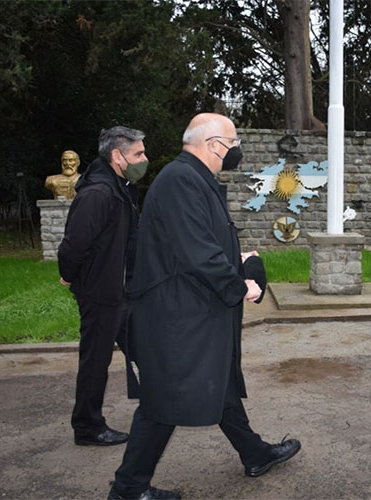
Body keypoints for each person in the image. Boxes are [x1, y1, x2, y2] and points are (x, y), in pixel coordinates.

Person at [108, 113, 300, 500]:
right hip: (177, 316)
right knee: (162, 402)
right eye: (233, 143)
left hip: (190, 309)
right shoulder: (182, 180)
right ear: (214, 145)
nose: (236, 151)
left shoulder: (192, 178)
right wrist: (239, 286)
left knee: (221, 385)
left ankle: (254, 453)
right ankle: (128, 489)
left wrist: (238, 256)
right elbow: (198, 252)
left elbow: (193, 240)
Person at [57, 126, 148, 445]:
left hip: (120, 291)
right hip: (100, 294)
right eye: (138, 154)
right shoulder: (99, 194)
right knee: (96, 361)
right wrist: (68, 274)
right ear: (117, 156)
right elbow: (73, 245)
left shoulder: (119, 187)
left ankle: (163, 399)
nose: (144, 159)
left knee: (144, 345)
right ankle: (87, 427)